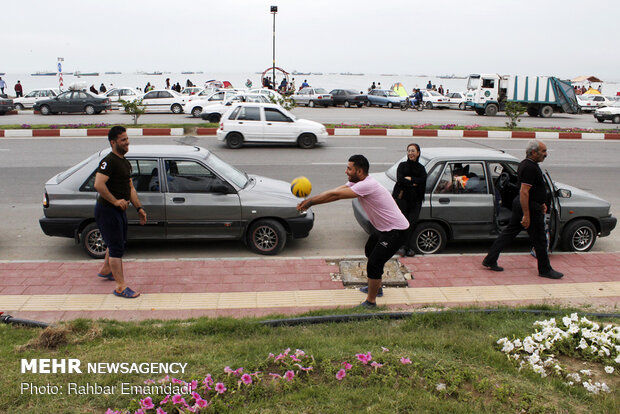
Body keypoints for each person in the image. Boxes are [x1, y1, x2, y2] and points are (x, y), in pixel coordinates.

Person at [296, 155, 409, 308]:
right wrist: (311, 200)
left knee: (375, 262)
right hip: (384, 229)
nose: (346, 171)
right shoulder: (357, 182)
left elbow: (336, 196)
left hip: (397, 230)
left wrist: (310, 202)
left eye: (349, 169)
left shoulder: (367, 185)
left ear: (360, 171)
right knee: (370, 250)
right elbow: (335, 191)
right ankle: (377, 287)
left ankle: (371, 302)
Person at [482, 140, 563, 279]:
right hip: (528, 207)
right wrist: (526, 215)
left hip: (528, 204)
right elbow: (524, 192)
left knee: (509, 233)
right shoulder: (530, 167)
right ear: (533, 152)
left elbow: (533, 190)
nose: (545, 154)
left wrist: (542, 202)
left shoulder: (528, 165)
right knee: (540, 239)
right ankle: (545, 270)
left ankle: (490, 259)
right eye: (543, 151)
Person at [94, 126, 147, 298]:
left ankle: (107, 269)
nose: (127, 142)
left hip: (118, 211)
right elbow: (98, 184)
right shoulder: (109, 161)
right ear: (113, 142)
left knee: (116, 242)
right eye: (123, 140)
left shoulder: (124, 161)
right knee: (116, 248)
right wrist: (115, 201)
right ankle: (120, 287)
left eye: (127, 138)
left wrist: (139, 208)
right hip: (107, 210)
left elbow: (130, 187)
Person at [392, 144, 427, 257]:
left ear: (418, 153)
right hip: (402, 199)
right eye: (409, 151)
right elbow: (400, 180)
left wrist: (410, 179)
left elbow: (423, 180)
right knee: (402, 223)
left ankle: (406, 246)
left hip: (416, 200)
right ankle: (401, 247)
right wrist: (414, 183)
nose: (410, 153)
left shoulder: (421, 168)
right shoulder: (402, 166)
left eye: (413, 151)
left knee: (411, 224)